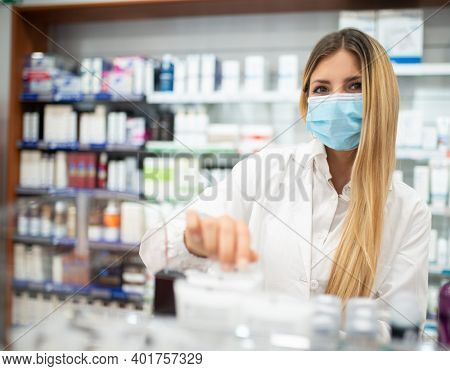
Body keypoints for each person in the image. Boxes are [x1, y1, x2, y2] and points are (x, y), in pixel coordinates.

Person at [140, 28, 430, 323]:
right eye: (321, 89)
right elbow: (153, 251)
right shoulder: (266, 168)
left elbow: (399, 329)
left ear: (381, 95)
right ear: (307, 101)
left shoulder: (409, 210)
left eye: (355, 86)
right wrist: (195, 242)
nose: (336, 99)